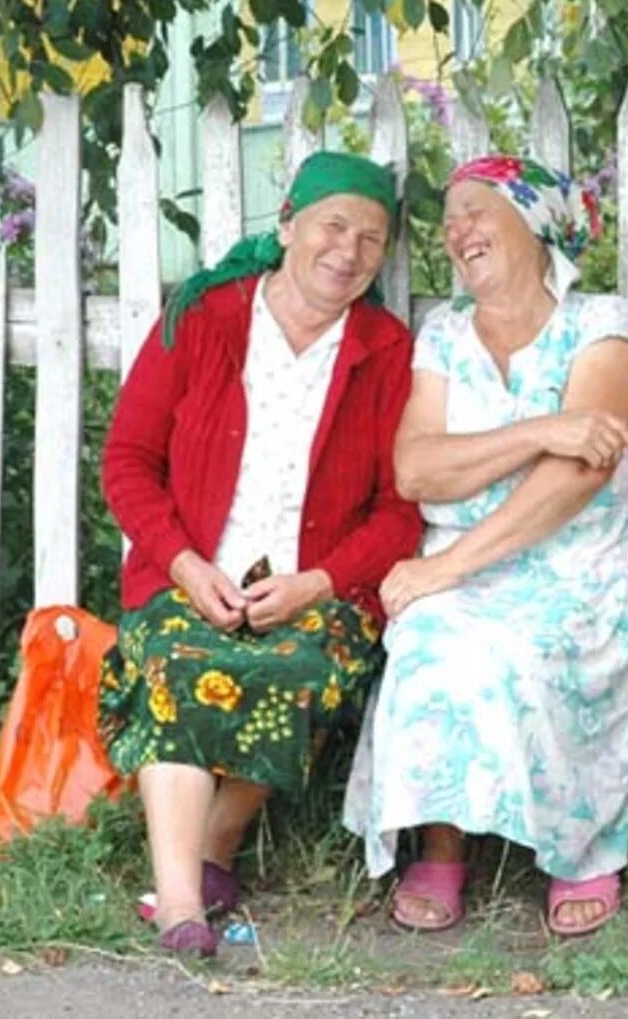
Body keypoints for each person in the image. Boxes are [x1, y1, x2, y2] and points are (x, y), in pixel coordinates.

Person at [99, 151, 423, 958]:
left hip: (319, 589)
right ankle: (183, 906)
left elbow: (399, 511)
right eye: (332, 226)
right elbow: (127, 462)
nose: (347, 251)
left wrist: (319, 582)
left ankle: (214, 846)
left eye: (371, 240)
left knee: (296, 669)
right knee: (178, 661)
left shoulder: (386, 350)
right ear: (288, 225)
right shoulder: (203, 320)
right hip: (192, 574)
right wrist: (182, 562)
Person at [341, 154, 628, 938]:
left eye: (478, 210)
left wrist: (445, 565)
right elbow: (417, 467)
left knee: (524, 641)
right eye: (450, 218)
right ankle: (442, 840)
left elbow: (576, 477)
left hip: (582, 569)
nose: (459, 232)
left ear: (537, 222)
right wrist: (541, 427)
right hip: (461, 566)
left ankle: (581, 841)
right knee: (432, 633)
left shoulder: (605, 326)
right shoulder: (445, 336)